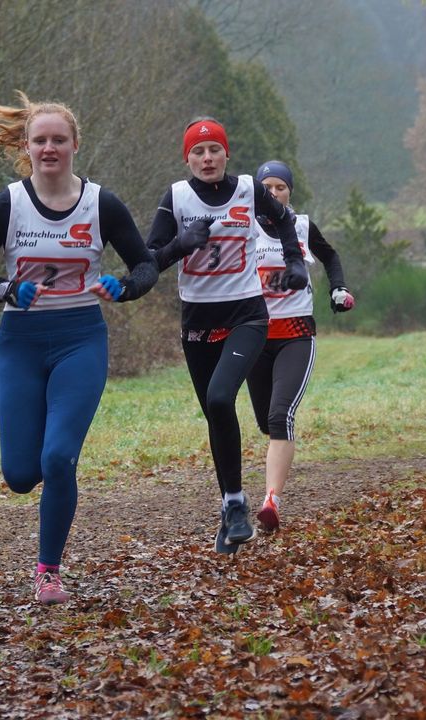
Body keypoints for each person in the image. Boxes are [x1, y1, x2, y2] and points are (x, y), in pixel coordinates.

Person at [0, 92, 158, 605]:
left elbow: (146, 266)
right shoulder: (9, 203)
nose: (49, 148)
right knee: (22, 475)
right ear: (27, 146)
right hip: (20, 341)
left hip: (80, 339)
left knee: (59, 458)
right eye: (40, 140)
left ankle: (49, 572)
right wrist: (4, 289)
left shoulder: (101, 204)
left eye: (58, 140)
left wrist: (122, 287)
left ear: (74, 145)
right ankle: (40, 505)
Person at [145, 119, 308, 554]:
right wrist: (180, 244)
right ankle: (231, 508)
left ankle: (235, 504)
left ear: (227, 154)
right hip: (197, 322)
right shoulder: (175, 198)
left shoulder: (248, 190)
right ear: (187, 159)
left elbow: (286, 221)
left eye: (214, 149)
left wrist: (294, 262)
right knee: (216, 414)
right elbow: (147, 261)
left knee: (220, 398)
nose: (207, 158)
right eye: (198, 152)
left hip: (247, 316)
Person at [244, 160, 354, 532]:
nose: (273, 194)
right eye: (267, 188)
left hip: (295, 334)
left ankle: (271, 500)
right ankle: (277, 464)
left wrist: (338, 288)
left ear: (289, 192)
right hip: (255, 336)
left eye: (280, 188)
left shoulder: (302, 226)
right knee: (266, 421)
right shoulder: (242, 227)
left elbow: (332, 256)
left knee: (280, 417)